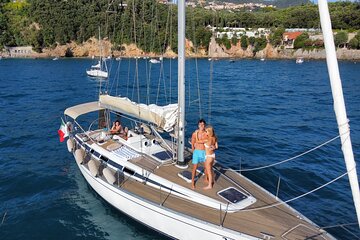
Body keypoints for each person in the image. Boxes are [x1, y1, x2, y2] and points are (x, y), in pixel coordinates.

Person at [191, 119, 207, 189]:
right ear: (198, 125)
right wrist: (193, 150)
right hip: (197, 152)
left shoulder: (206, 133)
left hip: (204, 152)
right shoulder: (195, 133)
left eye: (203, 124)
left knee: (206, 167)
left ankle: (206, 178)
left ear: (205, 125)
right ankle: (192, 182)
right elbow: (192, 142)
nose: (201, 126)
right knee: (194, 168)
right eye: (200, 124)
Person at [203, 125, 218, 190]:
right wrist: (213, 147)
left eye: (206, 131)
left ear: (209, 132)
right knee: (210, 169)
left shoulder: (207, 139)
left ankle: (210, 185)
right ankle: (211, 180)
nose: (205, 132)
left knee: (208, 170)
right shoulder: (214, 137)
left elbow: (199, 141)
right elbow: (216, 147)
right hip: (213, 155)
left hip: (208, 156)